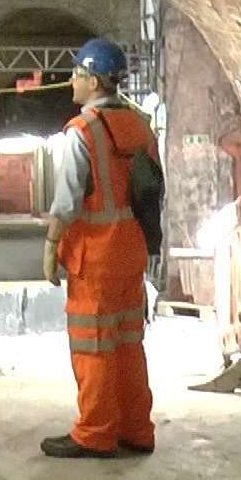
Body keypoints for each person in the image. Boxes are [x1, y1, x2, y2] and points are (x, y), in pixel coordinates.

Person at [40, 37, 158, 458]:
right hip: (132, 250)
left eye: (76, 74)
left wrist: (52, 246)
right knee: (128, 342)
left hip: (95, 256)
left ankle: (95, 433)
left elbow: (67, 201)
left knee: (93, 345)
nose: (71, 81)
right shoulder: (141, 125)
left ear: (93, 80)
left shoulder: (83, 131)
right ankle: (137, 429)